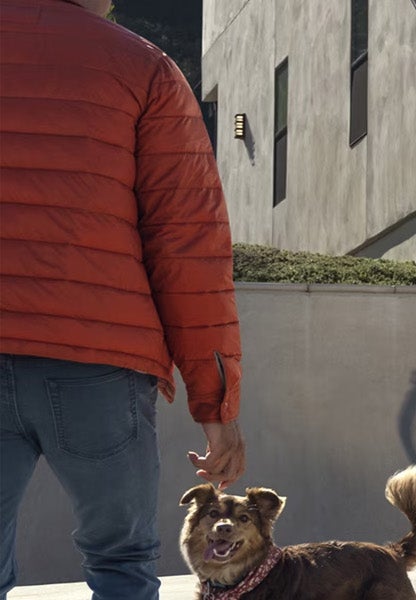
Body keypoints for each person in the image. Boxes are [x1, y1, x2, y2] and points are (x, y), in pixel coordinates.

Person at [0, 0, 247, 595]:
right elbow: (188, 246)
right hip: (97, 363)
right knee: (121, 561)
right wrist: (216, 408)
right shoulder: (144, 69)